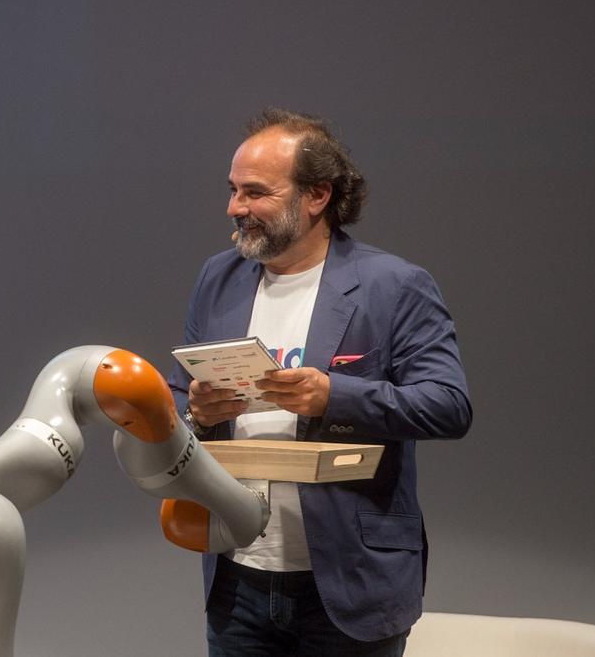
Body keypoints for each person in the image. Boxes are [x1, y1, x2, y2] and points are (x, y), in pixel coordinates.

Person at [169, 108, 472, 656]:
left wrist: (335, 395)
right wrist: (198, 414)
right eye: (234, 190)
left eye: (255, 192)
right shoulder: (217, 278)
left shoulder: (394, 285)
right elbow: (175, 398)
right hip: (237, 578)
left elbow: (448, 406)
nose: (235, 208)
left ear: (317, 196)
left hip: (350, 584)